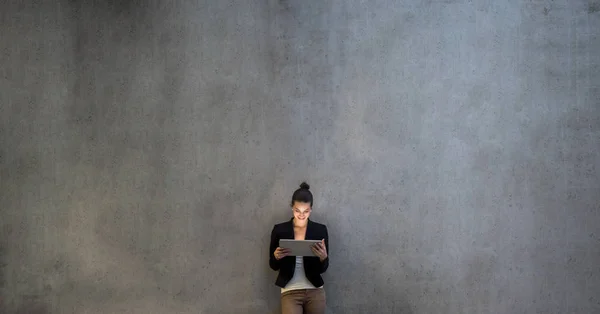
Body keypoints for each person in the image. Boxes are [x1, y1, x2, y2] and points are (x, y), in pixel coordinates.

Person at [269, 182, 329, 314]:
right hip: (290, 291)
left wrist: (323, 258)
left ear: (311, 209)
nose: (301, 215)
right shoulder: (280, 230)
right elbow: (273, 265)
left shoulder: (320, 230)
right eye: (297, 210)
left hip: (315, 290)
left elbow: (324, 268)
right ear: (292, 207)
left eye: (306, 211)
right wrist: (276, 257)